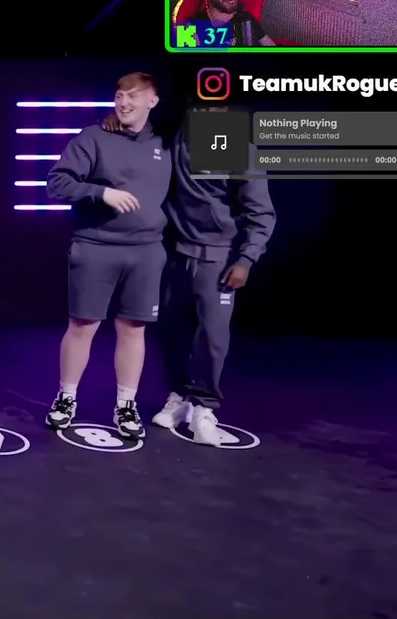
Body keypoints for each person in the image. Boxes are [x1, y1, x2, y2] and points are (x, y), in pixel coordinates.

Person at [102, 107, 276, 445]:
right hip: (174, 254)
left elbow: (261, 213)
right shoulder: (174, 138)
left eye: (216, 108)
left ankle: (204, 407)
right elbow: (140, 131)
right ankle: (179, 397)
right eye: (200, 107)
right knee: (171, 331)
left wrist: (245, 260)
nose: (206, 114)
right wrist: (114, 120)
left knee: (212, 338)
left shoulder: (237, 149)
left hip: (218, 259)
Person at [44, 72, 171, 439]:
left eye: (133, 96)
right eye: (119, 96)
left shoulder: (167, 142)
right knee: (83, 326)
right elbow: (56, 183)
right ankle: (66, 398)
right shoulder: (93, 137)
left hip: (146, 250)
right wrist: (102, 193)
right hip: (95, 246)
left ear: (153, 101)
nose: (124, 103)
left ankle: (126, 405)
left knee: (133, 329)